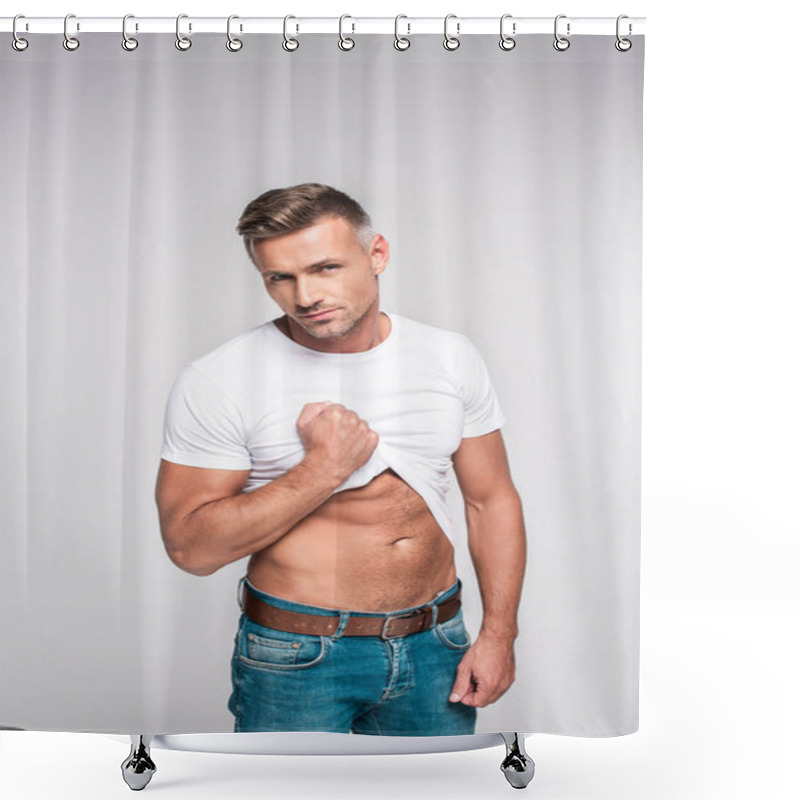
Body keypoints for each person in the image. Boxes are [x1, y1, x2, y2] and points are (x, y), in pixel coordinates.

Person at [155, 183, 526, 736]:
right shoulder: (221, 379)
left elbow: (489, 500)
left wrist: (498, 634)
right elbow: (191, 549)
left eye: (325, 268)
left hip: (436, 645)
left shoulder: (449, 356)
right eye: (280, 277)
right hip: (297, 656)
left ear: (377, 254)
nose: (305, 295)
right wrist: (322, 470)